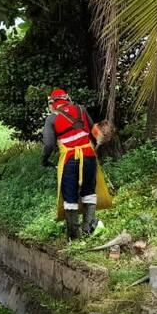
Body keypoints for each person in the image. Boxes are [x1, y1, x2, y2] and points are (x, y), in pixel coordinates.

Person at [41, 88, 104, 239]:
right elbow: (93, 131)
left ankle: (74, 236)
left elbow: (48, 145)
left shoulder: (51, 118)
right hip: (89, 156)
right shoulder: (81, 109)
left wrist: (44, 160)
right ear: (67, 99)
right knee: (89, 192)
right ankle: (88, 228)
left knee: (70, 196)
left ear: (52, 103)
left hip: (70, 159)